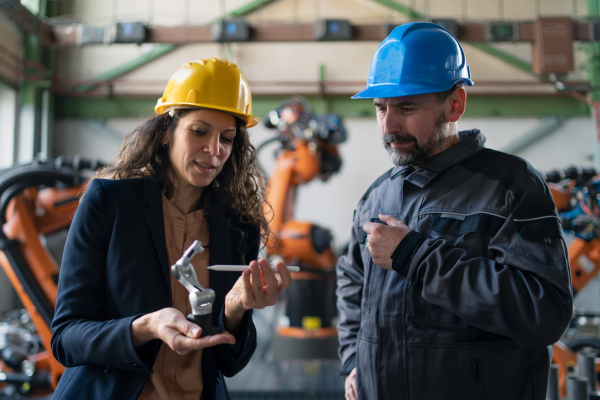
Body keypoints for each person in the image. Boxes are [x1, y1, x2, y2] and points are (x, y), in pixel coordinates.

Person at [336, 22, 573, 400]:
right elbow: (351, 280)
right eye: (381, 108)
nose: (389, 126)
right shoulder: (377, 196)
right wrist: (353, 361)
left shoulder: (511, 186)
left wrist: (415, 255)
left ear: (455, 104)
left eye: (407, 107)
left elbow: (544, 314)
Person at [50, 57, 293, 400]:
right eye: (199, 131)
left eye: (227, 138)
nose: (214, 150)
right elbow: (66, 337)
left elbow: (229, 363)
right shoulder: (109, 203)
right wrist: (145, 327)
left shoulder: (239, 226)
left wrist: (236, 311)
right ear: (166, 131)